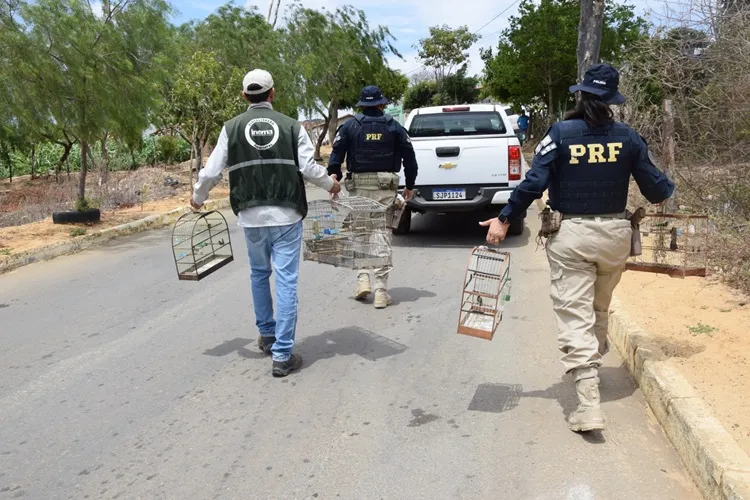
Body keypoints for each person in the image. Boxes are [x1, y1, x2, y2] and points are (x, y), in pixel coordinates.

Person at [480, 64, 674, 433]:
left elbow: (534, 181)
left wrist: (504, 218)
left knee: (574, 315)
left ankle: (588, 404)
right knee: (599, 306)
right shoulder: (629, 138)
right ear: (614, 101)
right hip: (617, 236)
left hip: (573, 237)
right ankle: (591, 366)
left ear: (581, 95)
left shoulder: (561, 133)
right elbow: (658, 191)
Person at [192, 69, 341, 378]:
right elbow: (309, 169)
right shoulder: (291, 126)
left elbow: (210, 172)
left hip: (250, 214)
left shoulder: (231, 128)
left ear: (245, 96)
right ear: (272, 94)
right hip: (286, 213)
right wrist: (331, 185)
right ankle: (282, 355)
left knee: (259, 274)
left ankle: (267, 335)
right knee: (286, 280)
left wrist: (198, 199)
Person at [327, 85, 419, 309]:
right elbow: (410, 158)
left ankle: (362, 279)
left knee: (360, 231)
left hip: (358, 187)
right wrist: (410, 185)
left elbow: (336, 154)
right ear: (381, 104)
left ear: (361, 105)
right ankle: (380, 289)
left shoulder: (349, 126)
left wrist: (334, 178)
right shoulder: (394, 127)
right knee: (381, 234)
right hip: (385, 187)